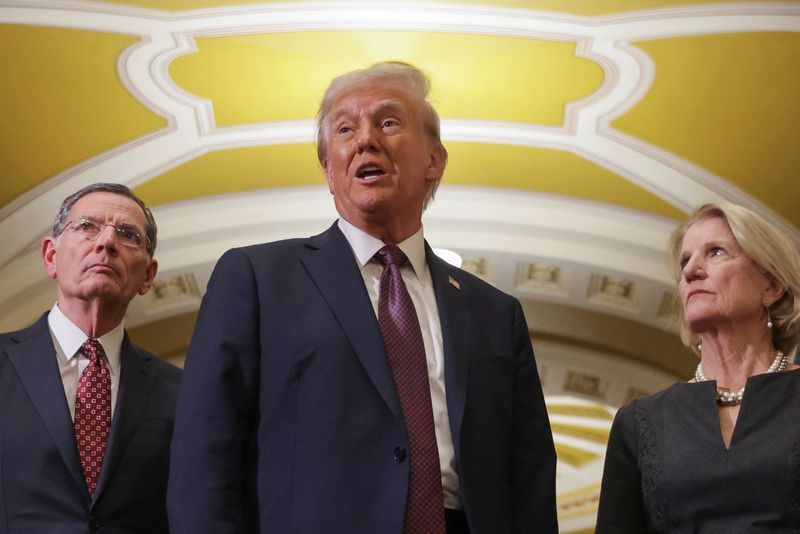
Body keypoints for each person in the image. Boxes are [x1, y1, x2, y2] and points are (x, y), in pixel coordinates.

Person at [167, 62, 557, 533]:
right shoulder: (257, 278)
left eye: (389, 122)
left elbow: (530, 476)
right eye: (345, 129)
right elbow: (205, 454)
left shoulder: (496, 313)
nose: (365, 140)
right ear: (330, 169)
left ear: (434, 159)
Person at [596, 202, 800, 532]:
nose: (691, 271)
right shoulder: (639, 421)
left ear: (772, 286)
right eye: (685, 262)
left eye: (716, 252)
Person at [0, 183, 182, 533]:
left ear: (148, 276)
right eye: (87, 226)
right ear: (51, 256)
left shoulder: (180, 392)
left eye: (128, 235)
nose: (107, 242)